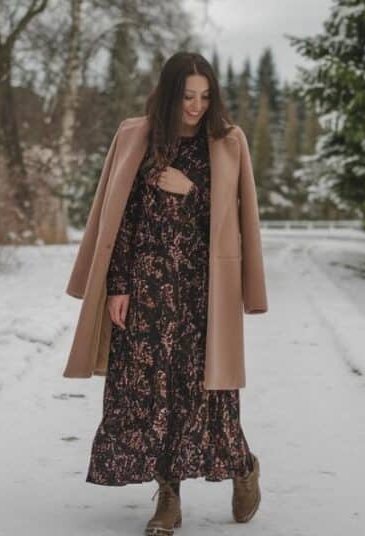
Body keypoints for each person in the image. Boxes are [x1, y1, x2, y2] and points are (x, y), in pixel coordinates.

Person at [78, 51, 264, 535]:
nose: (197, 106)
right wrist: (117, 285)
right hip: (146, 288)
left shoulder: (226, 143)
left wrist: (191, 191)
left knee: (207, 393)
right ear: (169, 94)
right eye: (187, 96)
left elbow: (234, 222)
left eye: (205, 97)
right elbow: (121, 219)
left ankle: (242, 466)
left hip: (203, 293)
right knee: (150, 394)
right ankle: (168, 497)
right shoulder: (136, 137)